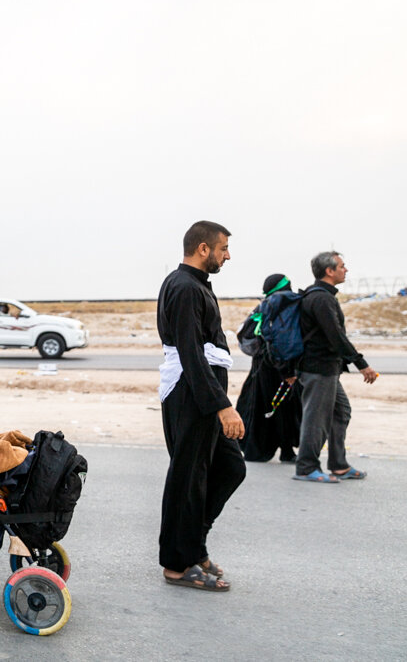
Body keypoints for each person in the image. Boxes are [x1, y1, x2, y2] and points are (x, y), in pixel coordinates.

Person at [156, 221, 246, 592]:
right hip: (191, 393)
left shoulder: (195, 286)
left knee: (229, 467)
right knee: (188, 480)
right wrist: (223, 406)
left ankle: (194, 544)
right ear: (204, 248)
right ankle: (177, 565)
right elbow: (192, 353)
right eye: (223, 248)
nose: (228, 255)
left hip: (201, 392)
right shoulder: (184, 287)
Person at [293, 252, 378, 483]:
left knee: (341, 412)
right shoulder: (321, 299)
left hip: (326, 368)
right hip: (318, 369)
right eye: (342, 266)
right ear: (329, 271)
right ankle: (306, 467)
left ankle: (339, 464)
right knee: (316, 419)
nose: (346, 270)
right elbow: (336, 337)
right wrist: (362, 364)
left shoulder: (321, 296)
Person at [237, 274, 301, 462]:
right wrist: (287, 371)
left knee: (258, 407)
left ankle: (255, 449)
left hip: (261, 365)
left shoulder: (265, 305)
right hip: (278, 366)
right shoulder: (284, 305)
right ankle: (287, 451)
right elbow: (283, 339)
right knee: (283, 408)